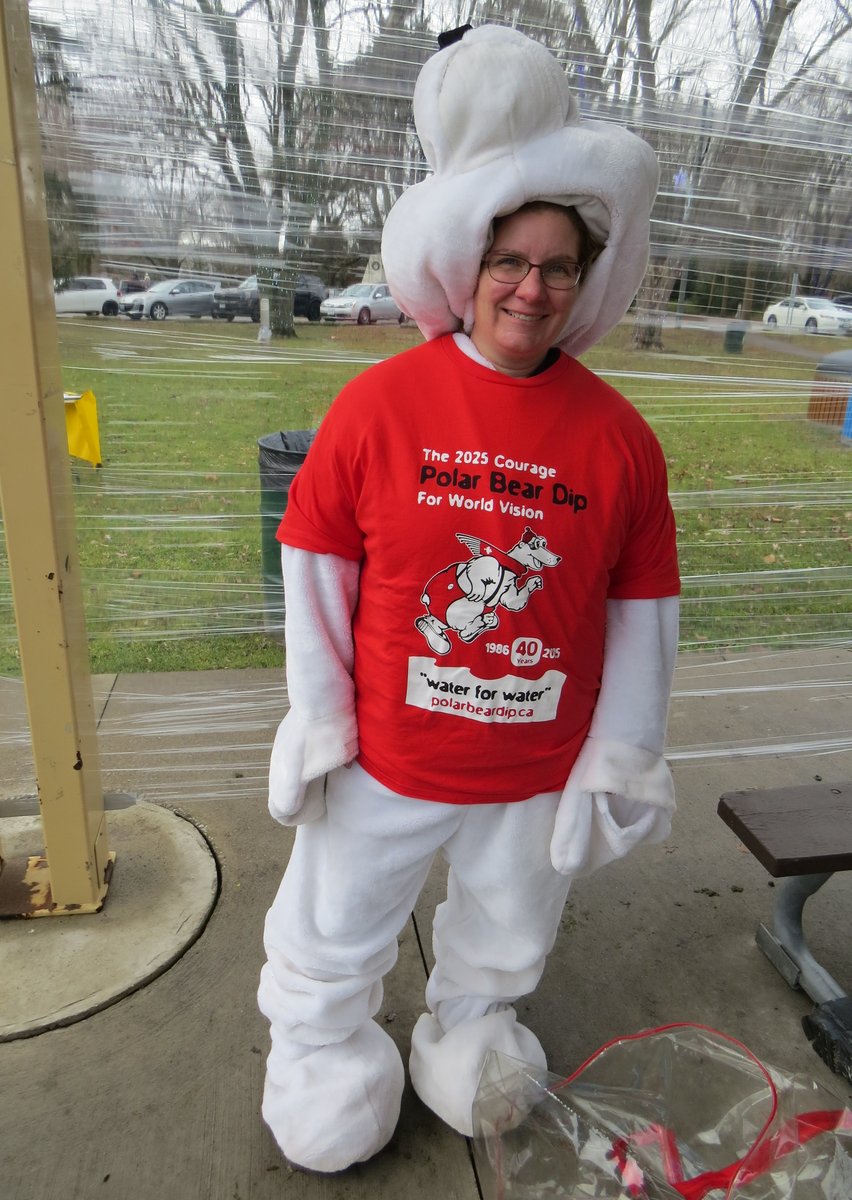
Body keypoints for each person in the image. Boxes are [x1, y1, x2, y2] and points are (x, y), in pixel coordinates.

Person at [257, 24, 680, 1174]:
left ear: (583, 280)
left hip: (530, 772)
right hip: (391, 758)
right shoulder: (381, 408)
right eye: (512, 261)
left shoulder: (618, 438)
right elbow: (318, 567)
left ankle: (471, 1032)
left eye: (558, 267)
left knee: (504, 931)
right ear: (470, 263)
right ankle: (323, 1052)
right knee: (334, 927)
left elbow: (643, 609)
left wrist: (622, 755)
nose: (532, 288)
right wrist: (322, 715)